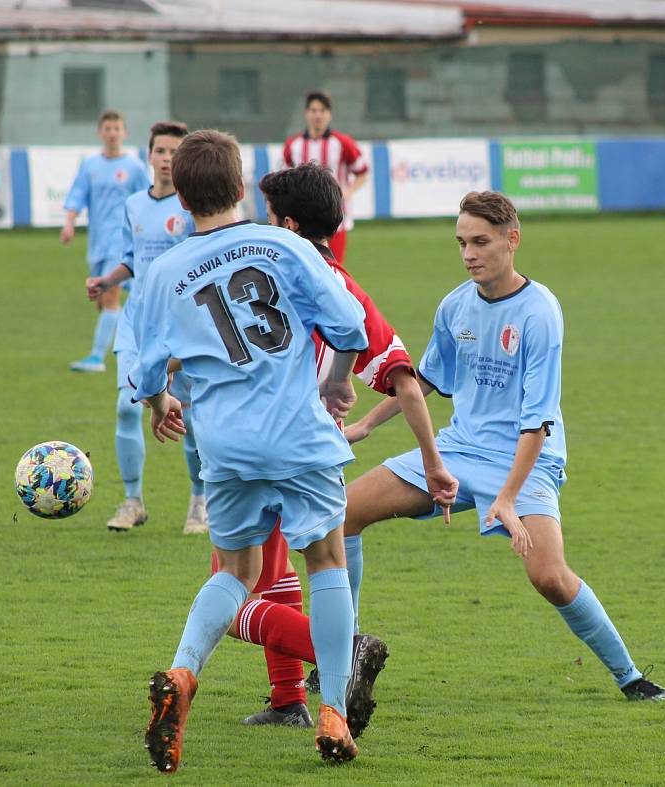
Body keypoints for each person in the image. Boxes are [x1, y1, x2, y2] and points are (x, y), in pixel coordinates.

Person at [341, 190, 665, 704]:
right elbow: (425, 378)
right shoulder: (455, 306)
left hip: (527, 458)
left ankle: (631, 677)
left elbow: (537, 423)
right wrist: (366, 424)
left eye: (480, 241)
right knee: (342, 514)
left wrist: (506, 498)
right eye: (461, 243)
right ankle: (343, 650)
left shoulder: (540, 313)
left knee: (548, 576)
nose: (469, 253)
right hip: (460, 448)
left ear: (511, 240)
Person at [131, 130, 370, 772]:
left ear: (179, 196)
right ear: (241, 188)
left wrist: (161, 407)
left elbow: (148, 370)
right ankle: (335, 713)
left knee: (233, 574)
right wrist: (338, 378)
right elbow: (348, 323)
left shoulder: (162, 273)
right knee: (325, 564)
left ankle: (183, 675)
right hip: (297, 434)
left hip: (225, 447)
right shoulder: (284, 244)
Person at [224, 162, 456, 735]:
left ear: (289, 223)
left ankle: (340, 652)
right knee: (278, 578)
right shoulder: (349, 290)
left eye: (269, 215)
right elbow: (405, 380)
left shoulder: (262, 277)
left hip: (258, 453)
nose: (262, 223)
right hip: (315, 462)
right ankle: (287, 702)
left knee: (230, 597)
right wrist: (432, 462)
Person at [84, 121, 207, 534]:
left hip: (181, 324)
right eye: (160, 151)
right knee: (125, 407)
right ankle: (133, 500)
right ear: (149, 155)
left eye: (175, 152)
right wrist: (107, 281)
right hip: (138, 320)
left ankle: (199, 501)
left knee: (186, 418)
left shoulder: (193, 209)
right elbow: (132, 259)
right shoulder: (134, 204)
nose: (167, 159)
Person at [62, 109, 149, 373]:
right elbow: (77, 195)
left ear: (125, 133)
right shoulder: (90, 166)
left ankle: (97, 358)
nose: (112, 133)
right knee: (102, 302)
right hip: (97, 244)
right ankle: (136, 343)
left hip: (122, 242)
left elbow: (148, 199)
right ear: (100, 133)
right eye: (108, 128)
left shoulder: (134, 167)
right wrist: (69, 223)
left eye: (117, 128)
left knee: (109, 295)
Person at [283, 90, 368, 264]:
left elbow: (362, 172)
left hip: (334, 219)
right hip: (302, 219)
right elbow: (285, 178)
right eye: (314, 110)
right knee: (305, 267)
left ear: (329, 115)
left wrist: (347, 192)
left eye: (322, 111)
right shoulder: (294, 145)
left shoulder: (343, 143)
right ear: (306, 113)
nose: (318, 115)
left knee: (333, 268)